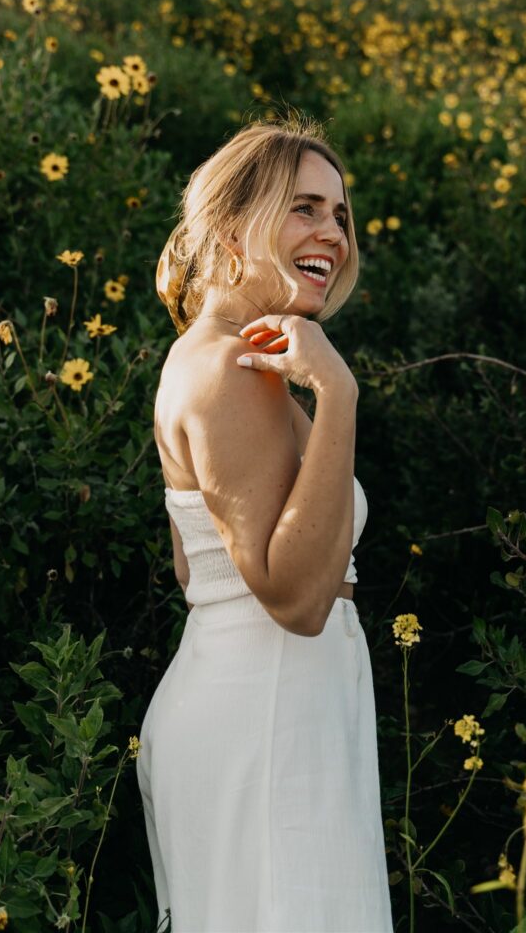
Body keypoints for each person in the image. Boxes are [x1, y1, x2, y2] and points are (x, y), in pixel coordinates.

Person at [136, 116, 395, 932]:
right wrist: (340, 396)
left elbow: (195, 569)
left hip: (271, 700)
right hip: (268, 712)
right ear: (228, 224)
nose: (332, 235)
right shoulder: (233, 369)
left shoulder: (222, 358)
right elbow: (294, 599)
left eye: (340, 216)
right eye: (305, 208)